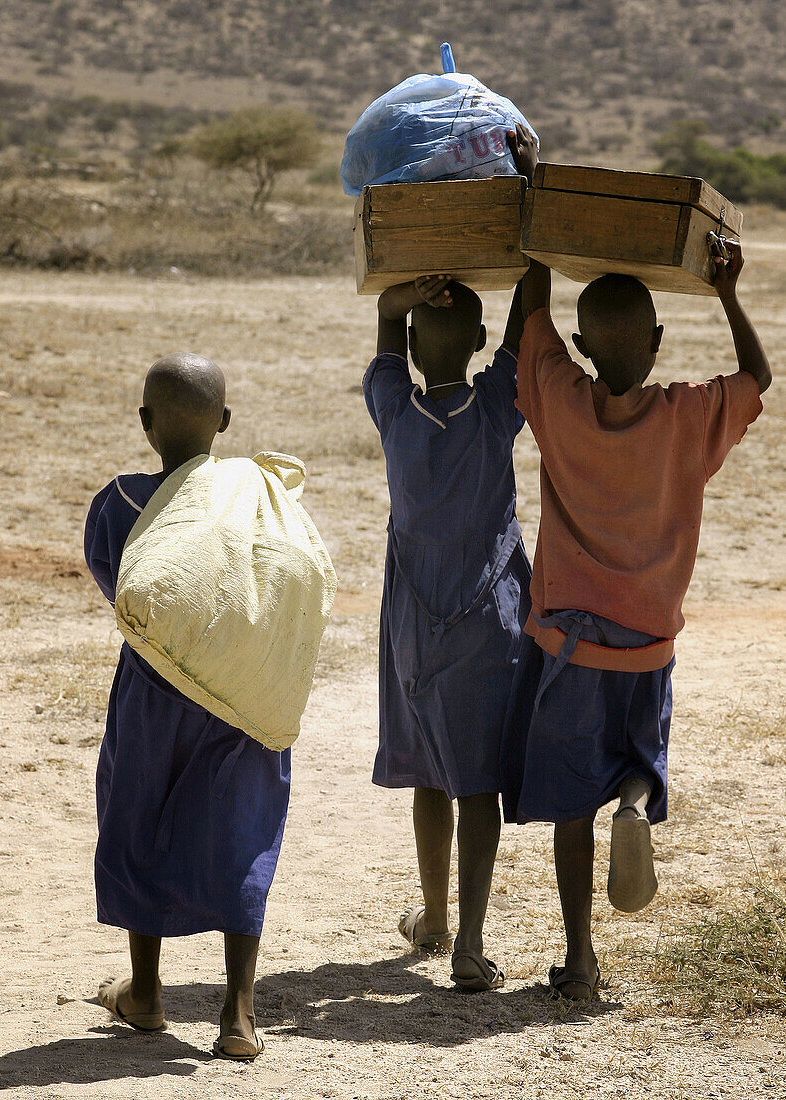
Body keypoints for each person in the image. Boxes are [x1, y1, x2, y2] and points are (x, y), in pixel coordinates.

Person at [500, 243, 770, 1001]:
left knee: (566, 808)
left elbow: (533, 320)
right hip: (647, 647)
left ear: (583, 346)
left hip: (568, 647)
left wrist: (535, 238)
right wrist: (727, 292)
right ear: (656, 341)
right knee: (640, 763)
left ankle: (579, 959)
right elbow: (759, 379)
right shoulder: (687, 417)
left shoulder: (556, 399)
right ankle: (636, 806)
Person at [84, 353, 293, 1060]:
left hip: (150, 695)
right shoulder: (258, 493)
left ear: (146, 424)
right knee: (241, 829)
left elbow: (124, 590)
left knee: (137, 818)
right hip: (243, 695)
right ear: (226, 423)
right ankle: (238, 1016)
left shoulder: (119, 502)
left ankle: (144, 993)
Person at [364, 271, 534, 992]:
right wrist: (532, 235)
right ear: (482, 344)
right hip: (487, 619)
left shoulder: (394, 413)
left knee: (427, 768)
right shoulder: (497, 407)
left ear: (409, 347)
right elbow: (529, 325)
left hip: (411, 621)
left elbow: (383, 328)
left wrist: (406, 297)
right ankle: (467, 942)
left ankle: (432, 918)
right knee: (477, 781)